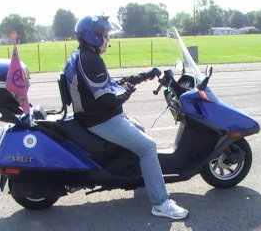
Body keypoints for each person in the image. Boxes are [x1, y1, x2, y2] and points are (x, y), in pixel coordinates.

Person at [63, 15, 189, 220]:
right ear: (93, 37)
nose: (108, 40)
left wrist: (142, 76)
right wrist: (129, 90)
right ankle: (160, 203)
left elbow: (110, 84)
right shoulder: (90, 61)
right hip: (100, 119)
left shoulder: (84, 56)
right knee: (148, 147)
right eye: (105, 35)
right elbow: (108, 100)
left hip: (95, 115)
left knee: (139, 132)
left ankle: (140, 179)